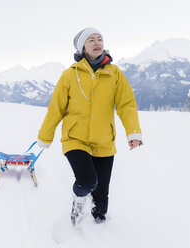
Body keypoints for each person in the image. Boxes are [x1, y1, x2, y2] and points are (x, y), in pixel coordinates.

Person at [37, 27, 143, 225]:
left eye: (99, 39)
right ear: (82, 48)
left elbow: (126, 104)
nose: (97, 43)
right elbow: (56, 108)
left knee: (101, 197)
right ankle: (77, 202)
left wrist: (133, 132)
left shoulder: (115, 74)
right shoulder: (70, 75)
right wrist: (45, 136)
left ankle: (100, 230)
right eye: (91, 40)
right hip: (75, 139)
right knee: (87, 182)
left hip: (104, 141)